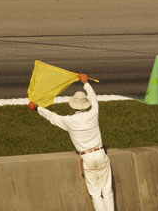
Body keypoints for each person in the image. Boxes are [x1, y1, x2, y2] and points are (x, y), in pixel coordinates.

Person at [28, 73, 116, 211]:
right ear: (85, 104)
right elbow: (93, 98)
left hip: (87, 157)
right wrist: (85, 82)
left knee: (95, 194)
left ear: (73, 105)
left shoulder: (69, 121)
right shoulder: (93, 114)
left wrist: (37, 108)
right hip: (100, 154)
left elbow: (52, 117)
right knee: (107, 191)